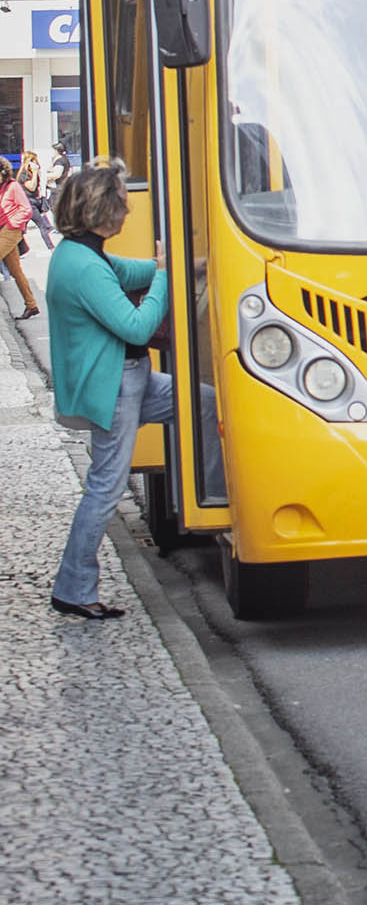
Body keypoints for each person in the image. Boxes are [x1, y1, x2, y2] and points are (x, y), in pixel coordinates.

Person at [47, 162, 175, 621]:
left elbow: (134, 271)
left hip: (128, 381)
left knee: (203, 406)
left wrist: (179, 265)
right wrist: (164, 275)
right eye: (122, 201)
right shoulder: (84, 266)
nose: (128, 208)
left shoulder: (82, 253)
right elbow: (136, 327)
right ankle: (74, 589)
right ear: (103, 210)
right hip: (116, 386)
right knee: (104, 488)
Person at [0, 161, 38, 318]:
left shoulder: (13, 186)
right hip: (4, 229)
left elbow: (26, 210)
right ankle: (32, 305)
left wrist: (13, 223)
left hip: (11, 229)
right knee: (16, 271)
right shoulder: (2, 188)